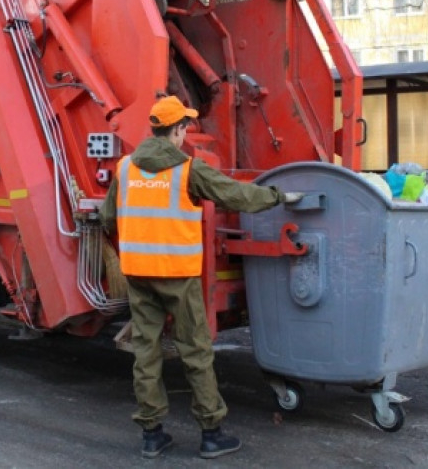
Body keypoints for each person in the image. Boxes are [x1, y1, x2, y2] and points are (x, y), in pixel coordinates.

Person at [101, 95, 302, 459]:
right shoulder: (187, 170)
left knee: (146, 352)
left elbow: (107, 218)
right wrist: (278, 196)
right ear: (176, 131)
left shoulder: (125, 168)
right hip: (177, 275)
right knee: (194, 350)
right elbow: (236, 195)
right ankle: (211, 433)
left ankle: (151, 434)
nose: (185, 134)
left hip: (138, 275)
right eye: (184, 128)